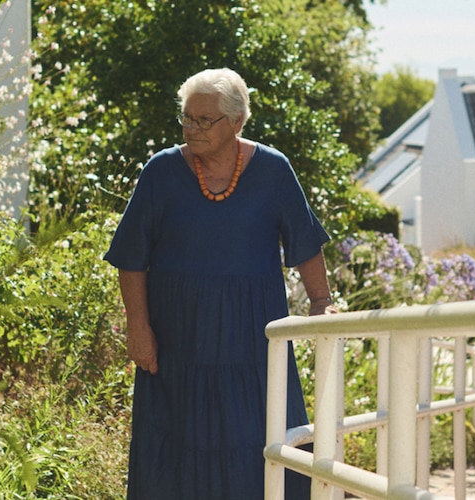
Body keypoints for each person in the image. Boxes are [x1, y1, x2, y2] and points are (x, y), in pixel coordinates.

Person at [103, 68, 335, 500]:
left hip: (253, 344)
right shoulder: (161, 172)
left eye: (204, 120)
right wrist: (138, 327)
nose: (192, 129)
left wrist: (322, 302)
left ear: (237, 122)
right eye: (187, 118)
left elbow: (304, 243)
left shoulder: (273, 171)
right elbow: (131, 258)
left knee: (260, 447)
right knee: (174, 453)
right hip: (176, 346)